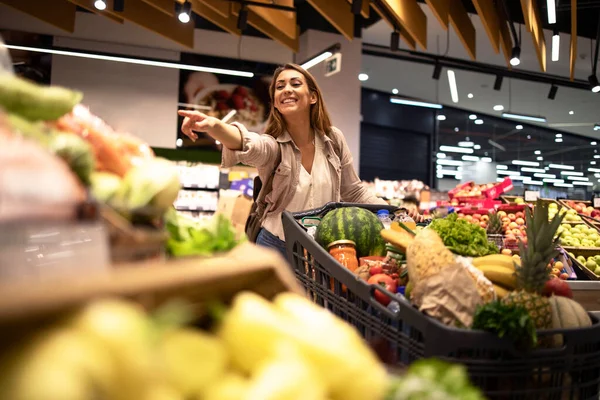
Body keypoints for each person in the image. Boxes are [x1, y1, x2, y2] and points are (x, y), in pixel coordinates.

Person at [179, 63, 415, 257]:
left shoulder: (333, 140)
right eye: (279, 86)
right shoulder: (273, 145)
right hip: (274, 246)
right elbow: (248, 143)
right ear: (276, 102)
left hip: (320, 250)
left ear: (312, 96)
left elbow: (354, 191)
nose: (286, 89)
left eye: (295, 83)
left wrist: (396, 211)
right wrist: (213, 125)